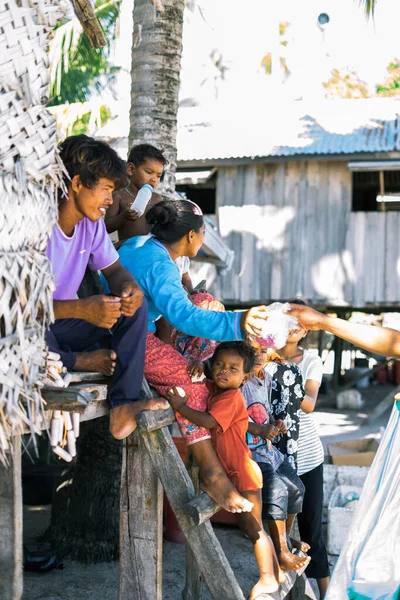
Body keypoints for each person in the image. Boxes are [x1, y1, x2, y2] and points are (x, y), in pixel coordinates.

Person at [103, 198, 271, 513]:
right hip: (124, 335)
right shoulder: (161, 265)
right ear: (191, 236)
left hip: (129, 328)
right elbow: (183, 317)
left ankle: (212, 462)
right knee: (192, 385)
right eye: (204, 232)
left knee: (205, 313)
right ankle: (211, 472)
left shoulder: (141, 244)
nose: (204, 239)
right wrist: (238, 322)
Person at [45, 135, 168, 434]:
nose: (111, 201)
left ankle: (122, 404)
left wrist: (129, 288)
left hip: (62, 325)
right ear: (76, 183)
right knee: (26, 348)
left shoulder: (91, 224)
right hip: (28, 329)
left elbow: (114, 270)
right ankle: (82, 360)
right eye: (107, 190)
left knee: (133, 309)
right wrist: (83, 309)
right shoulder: (36, 227)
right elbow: (18, 312)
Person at [167, 342, 286, 600]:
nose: (224, 371)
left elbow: (209, 421)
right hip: (236, 471)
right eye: (219, 365)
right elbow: (242, 424)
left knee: (253, 529)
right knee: (251, 527)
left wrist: (180, 406)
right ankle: (276, 573)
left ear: (244, 378)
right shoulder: (217, 392)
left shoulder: (231, 397)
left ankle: (268, 579)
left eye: (233, 369)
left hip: (242, 473)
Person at [243, 340, 310, 573]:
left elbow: (266, 414)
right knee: (278, 490)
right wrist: (261, 430)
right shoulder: (239, 380)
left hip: (269, 450)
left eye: (263, 351)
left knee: (298, 488)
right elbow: (233, 418)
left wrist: (275, 423)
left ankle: (284, 538)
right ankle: (281, 552)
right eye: (253, 352)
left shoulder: (266, 379)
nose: (259, 356)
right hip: (250, 453)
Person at [279, 299, 330, 598]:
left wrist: (282, 375)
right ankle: (283, 587)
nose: (293, 326)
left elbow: (308, 404)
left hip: (308, 458)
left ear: (307, 329)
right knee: (279, 531)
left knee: (312, 530)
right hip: (276, 458)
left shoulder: (311, 361)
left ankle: (327, 593)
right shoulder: (263, 358)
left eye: (300, 321)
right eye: (288, 318)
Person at [104, 143, 167, 240]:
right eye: (149, 172)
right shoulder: (119, 196)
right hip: (129, 250)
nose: (154, 179)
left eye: (158, 176)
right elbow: (106, 227)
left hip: (151, 251)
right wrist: (124, 216)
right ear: (131, 169)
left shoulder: (157, 199)